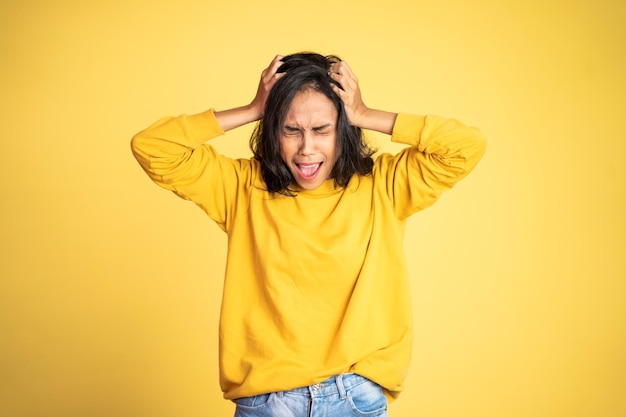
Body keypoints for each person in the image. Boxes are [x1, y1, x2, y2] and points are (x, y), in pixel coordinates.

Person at [131, 52, 486, 417]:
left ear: (343, 129)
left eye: (321, 130)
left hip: (355, 396)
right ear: (273, 129)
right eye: (291, 129)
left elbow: (465, 147)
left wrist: (364, 113)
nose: (307, 149)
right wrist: (254, 108)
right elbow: (153, 146)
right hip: (268, 401)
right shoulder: (241, 188)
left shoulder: (384, 186)